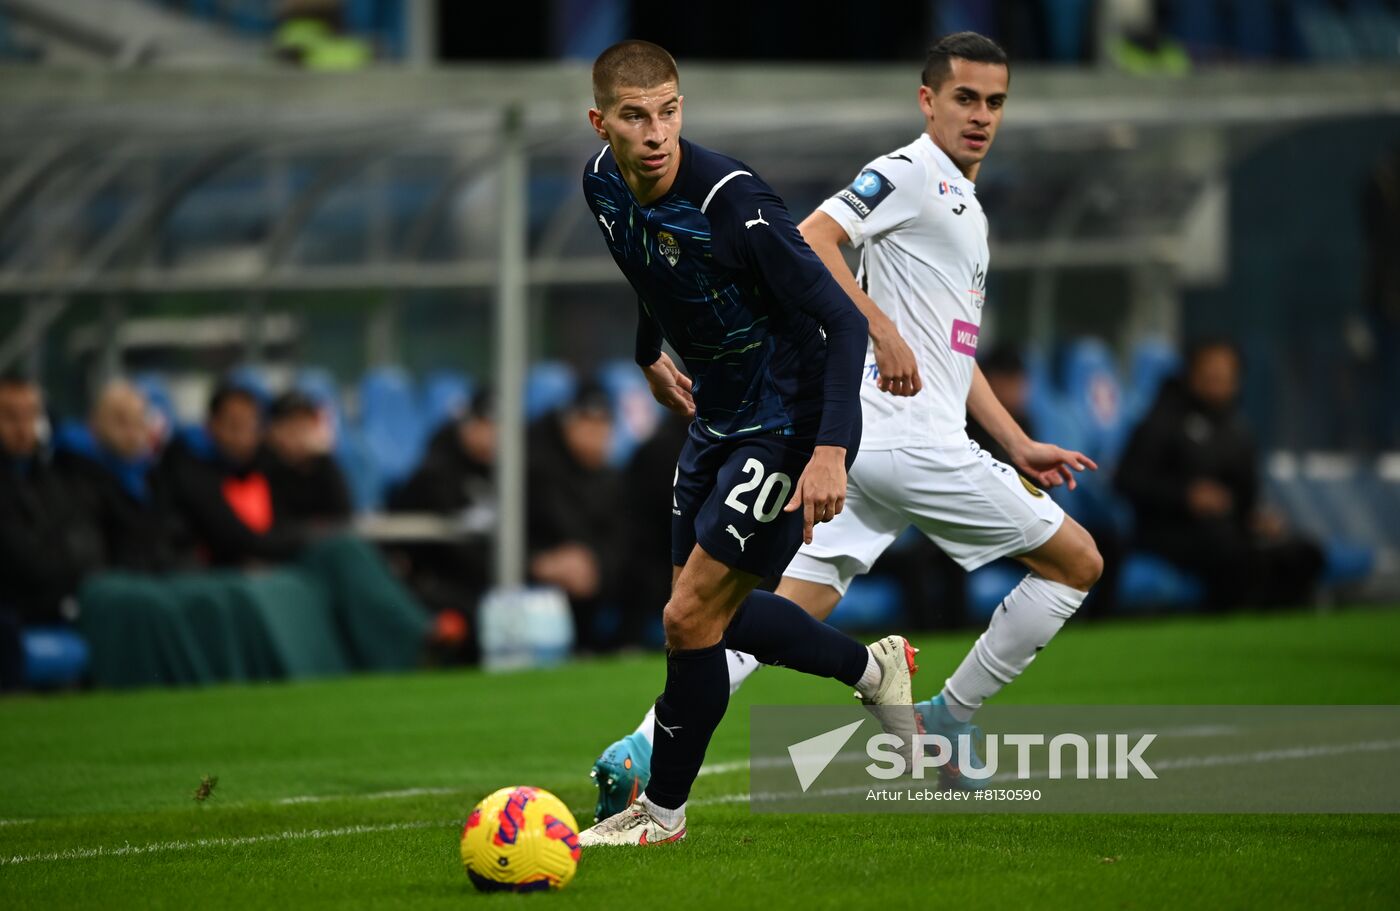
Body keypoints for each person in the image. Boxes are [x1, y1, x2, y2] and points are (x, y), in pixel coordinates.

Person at [591, 32, 1105, 814]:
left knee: (734, 607)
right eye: (964, 97)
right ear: (927, 100)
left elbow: (952, 357)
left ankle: (646, 741)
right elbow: (817, 239)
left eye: (995, 101)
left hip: (870, 434)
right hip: (893, 437)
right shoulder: (909, 173)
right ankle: (947, 715)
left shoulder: (964, 205)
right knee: (1078, 562)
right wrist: (881, 329)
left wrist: (1014, 440)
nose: (981, 116)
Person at [578, 39, 919, 846]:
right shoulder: (600, 184)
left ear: (681, 109)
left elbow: (841, 316)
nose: (656, 132)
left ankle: (660, 815)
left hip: (790, 416)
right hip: (718, 414)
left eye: (668, 110)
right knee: (708, 622)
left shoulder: (736, 204)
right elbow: (645, 266)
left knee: (690, 614)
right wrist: (646, 353)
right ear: (601, 123)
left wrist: (830, 448)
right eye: (635, 116)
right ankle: (876, 671)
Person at [1115, 339, 1324, 609]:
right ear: (1191, 373)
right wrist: (1186, 496)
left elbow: (1245, 493)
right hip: (1169, 529)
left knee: (1303, 554)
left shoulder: (1238, 429)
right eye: (1210, 372)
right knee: (1233, 554)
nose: (1218, 380)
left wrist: (1255, 516)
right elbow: (1127, 480)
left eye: (1226, 374)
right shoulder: (1161, 420)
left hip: (1228, 528)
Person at [0, 375, 103, 689]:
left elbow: (86, 541)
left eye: (30, 415)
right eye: (9, 416)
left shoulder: (55, 476)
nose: (22, 427)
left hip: (57, 600)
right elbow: (20, 556)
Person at [525, 383, 629, 652]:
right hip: (538, 582)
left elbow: (625, 541)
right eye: (586, 423)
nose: (594, 434)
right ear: (567, 425)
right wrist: (539, 563)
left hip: (597, 583)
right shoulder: (536, 472)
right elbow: (514, 534)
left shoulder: (613, 480)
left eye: (602, 425)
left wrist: (595, 564)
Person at [160, 383, 304, 567]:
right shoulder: (190, 471)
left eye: (251, 426)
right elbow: (236, 540)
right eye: (234, 426)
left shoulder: (267, 464)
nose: (243, 436)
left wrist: (317, 461)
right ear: (212, 425)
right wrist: (303, 541)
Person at [54, 380, 186, 573]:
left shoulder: (153, 475)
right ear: (95, 423)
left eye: (139, 421)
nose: (132, 433)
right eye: (121, 421)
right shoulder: (76, 474)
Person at [263, 390, 352, 527]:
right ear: (274, 430)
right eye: (292, 423)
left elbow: (344, 513)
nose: (300, 431)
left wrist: (321, 459)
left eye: (305, 423)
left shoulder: (322, 463)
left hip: (326, 541)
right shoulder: (264, 467)